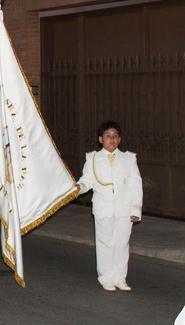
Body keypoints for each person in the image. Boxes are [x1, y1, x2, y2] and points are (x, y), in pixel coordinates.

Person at [75, 121, 143, 292]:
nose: (111, 139)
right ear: (100, 139)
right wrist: (78, 187)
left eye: (115, 136)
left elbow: (136, 185)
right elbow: (87, 180)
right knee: (105, 243)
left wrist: (136, 209)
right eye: (108, 136)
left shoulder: (129, 159)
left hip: (124, 208)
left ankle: (120, 277)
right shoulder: (93, 158)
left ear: (119, 140)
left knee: (121, 243)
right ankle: (105, 277)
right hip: (103, 208)